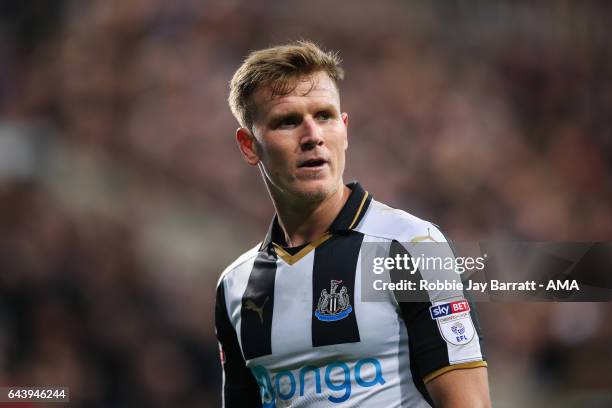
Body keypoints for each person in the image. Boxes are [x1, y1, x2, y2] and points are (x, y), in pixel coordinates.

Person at [215, 40, 491, 407]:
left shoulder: (411, 245)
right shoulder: (236, 285)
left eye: (325, 116)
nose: (313, 136)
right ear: (249, 145)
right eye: (288, 121)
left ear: (344, 129)